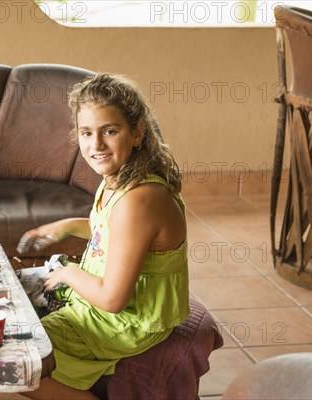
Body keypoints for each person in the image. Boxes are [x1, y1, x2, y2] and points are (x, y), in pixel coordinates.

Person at [17, 73, 190, 400]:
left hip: (126, 321)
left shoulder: (139, 200)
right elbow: (113, 231)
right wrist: (68, 225)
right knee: (7, 298)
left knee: (17, 355)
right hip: (107, 310)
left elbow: (113, 299)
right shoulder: (120, 178)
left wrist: (68, 274)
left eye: (110, 131)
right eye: (86, 133)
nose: (95, 145)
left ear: (137, 132)